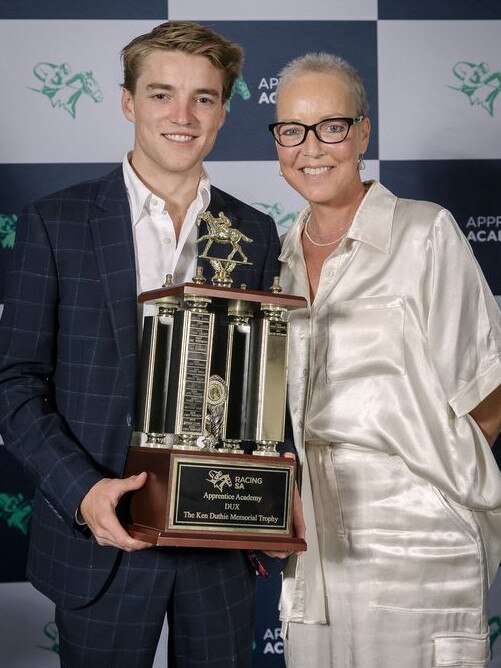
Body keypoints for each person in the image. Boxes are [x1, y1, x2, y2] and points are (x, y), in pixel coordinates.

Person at [0, 21, 289, 668]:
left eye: (204, 98)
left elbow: (261, 392)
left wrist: (269, 500)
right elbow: (12, 383)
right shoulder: (56, 223)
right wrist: (80, 491)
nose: (182, 116)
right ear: (129, 102)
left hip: (218, 542)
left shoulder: (254, 232)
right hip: (100, 537)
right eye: (161, 94)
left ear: (223, 109)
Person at [268, 52, 501, 667]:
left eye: (332, 127)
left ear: (363, 133)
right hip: (313, 543)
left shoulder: (426, 234)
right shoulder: (276, 259)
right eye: (292, 130)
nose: (311, 148)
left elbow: (489, 393)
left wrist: (432, 486)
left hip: (421, 545)